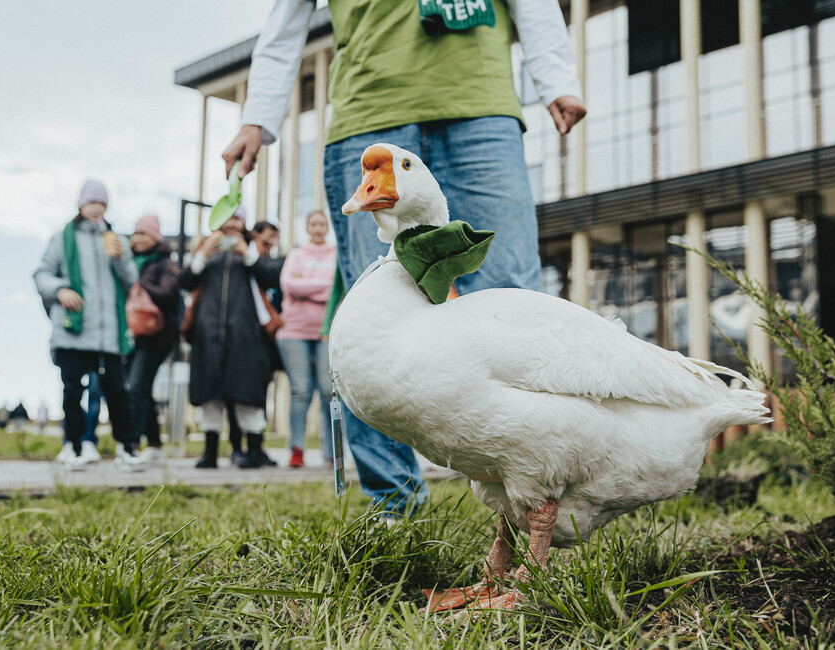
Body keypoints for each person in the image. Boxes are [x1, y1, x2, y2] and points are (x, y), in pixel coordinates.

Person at [222, 0, 586, 516]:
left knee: (514, 291)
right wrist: (257, 117)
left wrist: (556, 77)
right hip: (371, 105)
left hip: (478, 102)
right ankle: (395, 505)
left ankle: (539, 496)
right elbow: (285, 19)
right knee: (374, 316)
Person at [33, 179, 145, 471]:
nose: (97, 207)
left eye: (103, 203)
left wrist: (121, 257)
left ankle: (127, 447)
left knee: (117, 392)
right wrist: (60, 290)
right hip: (73, 331)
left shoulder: (115, 238)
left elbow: (131, 280)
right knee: (73, 391)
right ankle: (73, 444)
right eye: (92, 202)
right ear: (81, 205)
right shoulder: (62, 238)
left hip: (108, 334)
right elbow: (42, 274)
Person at [180, 205, 280, 469]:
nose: (232, 224)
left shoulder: (253, 248)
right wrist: (203, 254)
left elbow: (271, 278)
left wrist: (247, 253)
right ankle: (209, 452)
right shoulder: (207, 247)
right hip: (207, 333)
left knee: (246, 392)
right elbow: (185, 281)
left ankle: (255, 450)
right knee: (210, 393)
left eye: (237, 218)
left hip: (246, 335)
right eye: (227, 217)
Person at [275, 211, 337, 468]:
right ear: (307, 227)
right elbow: (289, 286)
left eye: (322, 223)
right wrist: (322, 288)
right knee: (300, 392)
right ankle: (297, 449)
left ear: (327, 227)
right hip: (293, 333)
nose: (318, 227)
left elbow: (337, 285)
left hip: (326, 332)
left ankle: (331, 452)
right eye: (313, 223)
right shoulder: (296, 255)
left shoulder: (336, 254)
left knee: (327, 391)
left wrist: (306, 285)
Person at [128, 214, 181, 464]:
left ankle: (132, 444)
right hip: (133, 335)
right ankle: (154, 443)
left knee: (137, 386)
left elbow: (170, 294)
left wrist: (140, 286)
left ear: (155, 237)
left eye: (143, 234)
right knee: (141, 389)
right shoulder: (131, 262)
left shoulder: (165, 264)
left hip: (157, 336)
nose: (137, 239)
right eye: (135, 233)